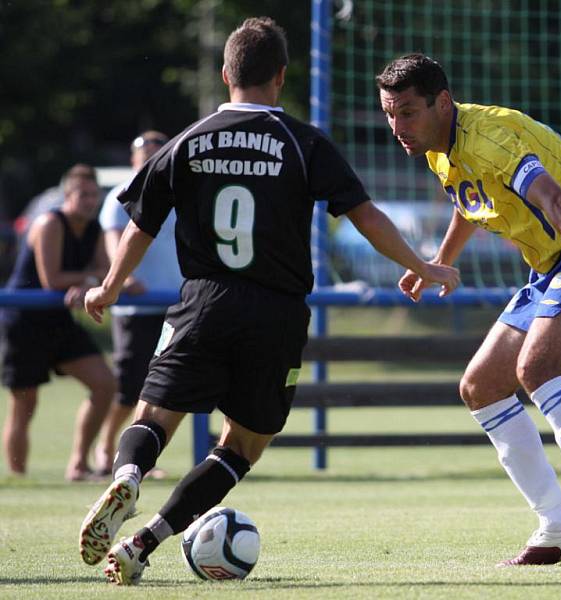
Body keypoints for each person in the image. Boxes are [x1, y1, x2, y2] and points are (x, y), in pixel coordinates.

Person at [78, 18, 459, 585]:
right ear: (280, 77)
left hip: (203, 302)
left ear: (227, 73)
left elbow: (141, 225)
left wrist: (108, 286)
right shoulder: (302, 142)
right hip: (277, 312)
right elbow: (365, 214)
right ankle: (144, 540)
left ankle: (130, 473)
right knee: (243, 446)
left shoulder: (188, 140)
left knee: (154, 417)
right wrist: (421, 265)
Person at [376, 54, 561, 571]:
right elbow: (470, 201)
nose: (397, 127)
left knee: (537, 369)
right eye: (389, 113)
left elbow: (556, 201)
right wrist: (440, 261)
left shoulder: (491, 139)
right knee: (479, 387)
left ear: (442, 103)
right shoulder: (441, 148)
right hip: (552, 264)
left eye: (407, 113)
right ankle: (558, 525)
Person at [1, 164, 115, 481]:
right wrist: (89, 278)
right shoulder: (50, 222)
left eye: (94, 195)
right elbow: (52, 279)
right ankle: (18, 478)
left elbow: (106, 275)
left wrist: (89, 281)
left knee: (105, 384)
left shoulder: (96, 230)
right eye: (83, 194)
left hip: (59, 321)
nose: (90, 201)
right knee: (25, 403)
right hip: (24, 320)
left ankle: (78, 465)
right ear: (68, 195)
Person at [94, 131, 182, 476]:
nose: (151, 155)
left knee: (161, 389)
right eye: (145, 150)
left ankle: (138, 460)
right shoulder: (123, 193)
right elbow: (115, 240)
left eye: (158, 150)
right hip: (136, 307)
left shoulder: (177, 190)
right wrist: (122, 279)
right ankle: (106, 449)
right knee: (129, 389)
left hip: (173, 306)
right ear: (133, 157)